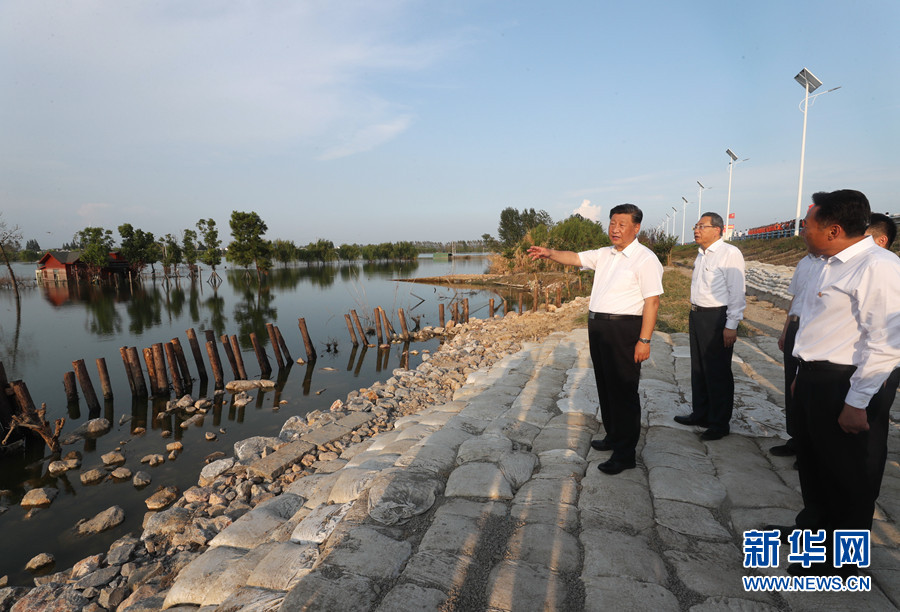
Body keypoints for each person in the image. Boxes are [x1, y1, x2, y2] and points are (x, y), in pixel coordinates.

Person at [774, 190, 900, 576]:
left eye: (807, 225)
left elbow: (886, 343)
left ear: (833, 230)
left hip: (847, 383)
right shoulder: (825, 263)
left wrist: (856, 402)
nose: (802, 232)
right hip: (814, 378)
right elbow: (816, 324)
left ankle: (843, 563)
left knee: (849, 476)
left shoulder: (878, 267)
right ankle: (813, 534)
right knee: (815, 467)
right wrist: (802, 377)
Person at [527, 204, 663, 474]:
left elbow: (653, 302)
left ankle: (625, 454)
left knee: (624, 390)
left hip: (624, 329)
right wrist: (550, 253)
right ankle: (613, 435)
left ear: (636, 228)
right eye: (612, 223)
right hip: (600, 327)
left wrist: (644, 340)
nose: (615, 229)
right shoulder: (605, 254)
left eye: (622, 224)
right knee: (605, 384)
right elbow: (575, 258)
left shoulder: (645, 259)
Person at [673, 212, 746, 440]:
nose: (696, 230)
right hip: (697, 315)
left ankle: (719, 423)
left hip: (717, 318)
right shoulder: (701, 254)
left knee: (717, 371)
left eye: (702, 226)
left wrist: (731, 324)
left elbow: (737, 292)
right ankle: (701, 413)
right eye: (696, 226)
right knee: (699, 368)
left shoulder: (729, 253)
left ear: (717, 230)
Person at [770, 251, 824, 457]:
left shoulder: (831, 263)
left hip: (813, 329)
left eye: (808, 232)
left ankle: (810, 445)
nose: (804, 235)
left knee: (810, 385)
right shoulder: (804, 262)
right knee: (791, 382)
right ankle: (795, 437)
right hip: (795, 326)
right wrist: (786, 330)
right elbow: (795, 298)